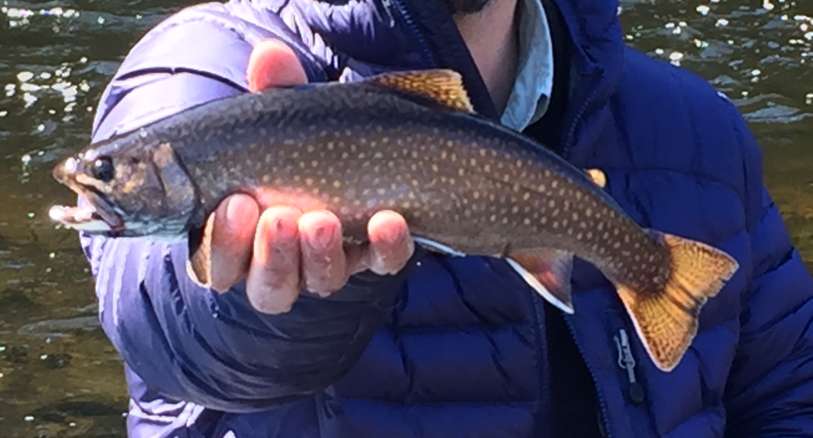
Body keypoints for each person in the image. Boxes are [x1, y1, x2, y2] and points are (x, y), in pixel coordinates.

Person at [82, 0, 813, 436]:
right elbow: (166, 332)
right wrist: (268, 303)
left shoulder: (697, 128)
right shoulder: (202, 75)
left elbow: (787, 394)